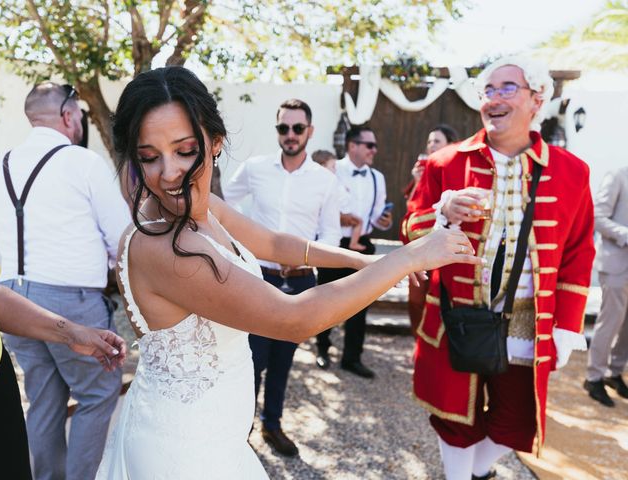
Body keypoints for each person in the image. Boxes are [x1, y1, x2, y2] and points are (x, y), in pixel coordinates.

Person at [94, 66, 480, 479]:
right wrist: (407, 258)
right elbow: (292, 319)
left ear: (215, 142)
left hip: (212, 433)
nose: (169, 172)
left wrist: (360, 260)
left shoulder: (199, 206)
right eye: (149, 157)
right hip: (183, 450)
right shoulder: (167, 246)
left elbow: (278, 244)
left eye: (185, 151)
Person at [401, 56, 595, 480]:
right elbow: (410, 233)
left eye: (507, 88)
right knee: (455, 416)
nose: (494, 98)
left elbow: (579, 252)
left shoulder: (572, 172)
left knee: (518, 420)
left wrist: (565, 326)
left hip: (530, 320)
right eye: (487, 90)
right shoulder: (444, 163)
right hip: (457, 316)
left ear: (536, 99)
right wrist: (443, 214)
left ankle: (475, 472)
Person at [0, 64, 126, 480]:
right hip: (72, 301)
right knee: (98, 395)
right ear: (68, 116)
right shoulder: (83, 163)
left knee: (44, 402)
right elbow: (123, 240)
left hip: (9, 299)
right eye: (81, 116)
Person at [223, 99, 341, 457]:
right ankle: (237, 430)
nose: (290, 135)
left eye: (297, 128)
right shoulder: (255, 168)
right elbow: (225, 204)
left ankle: (271, 425)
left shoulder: (325, 181)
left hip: (301, 283)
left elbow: (332, 235)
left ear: (310, 131)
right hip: (258, 279)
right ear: (277, 130)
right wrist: (244, 246)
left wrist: (305, 255)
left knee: (283, 359)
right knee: (252, 358)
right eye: (283, 128)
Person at [315, 126, 392, 378]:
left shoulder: (378, 177)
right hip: (334, 244)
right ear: (352, 146)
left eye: (375, 146)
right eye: (369, 145)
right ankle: (322, 347)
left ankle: (352, 358)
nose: (374, 150)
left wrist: (383, 222)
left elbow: (378, 214)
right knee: (326, 299)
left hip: (364, 244)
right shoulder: (330, 170)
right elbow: (318, 204)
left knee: (361, 303)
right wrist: (340, 217)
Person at [403, 125, 458, 337]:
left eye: (436, 141)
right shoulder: (423, 170)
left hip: (442, 245)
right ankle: (419, 341)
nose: (431, 145)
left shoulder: (452, 170)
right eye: (429, 141)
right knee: (415, 298)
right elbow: (411, 207)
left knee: (438, 298)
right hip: (418, 247)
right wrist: (418, 181)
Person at [584, 166, 628, 407]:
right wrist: (625, 234)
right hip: (616, 263)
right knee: (610, 321)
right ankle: (594, 377)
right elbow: (597, 217)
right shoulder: (617, 175)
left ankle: (614, 373)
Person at [312, 149, 366, 252]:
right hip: (339, 214)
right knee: (359, 222)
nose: (335, 170)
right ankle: (354, 243)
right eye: (333, 167)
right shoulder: (323, 184)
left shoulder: (333, 181)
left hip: (340, 217)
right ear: (322, 167)